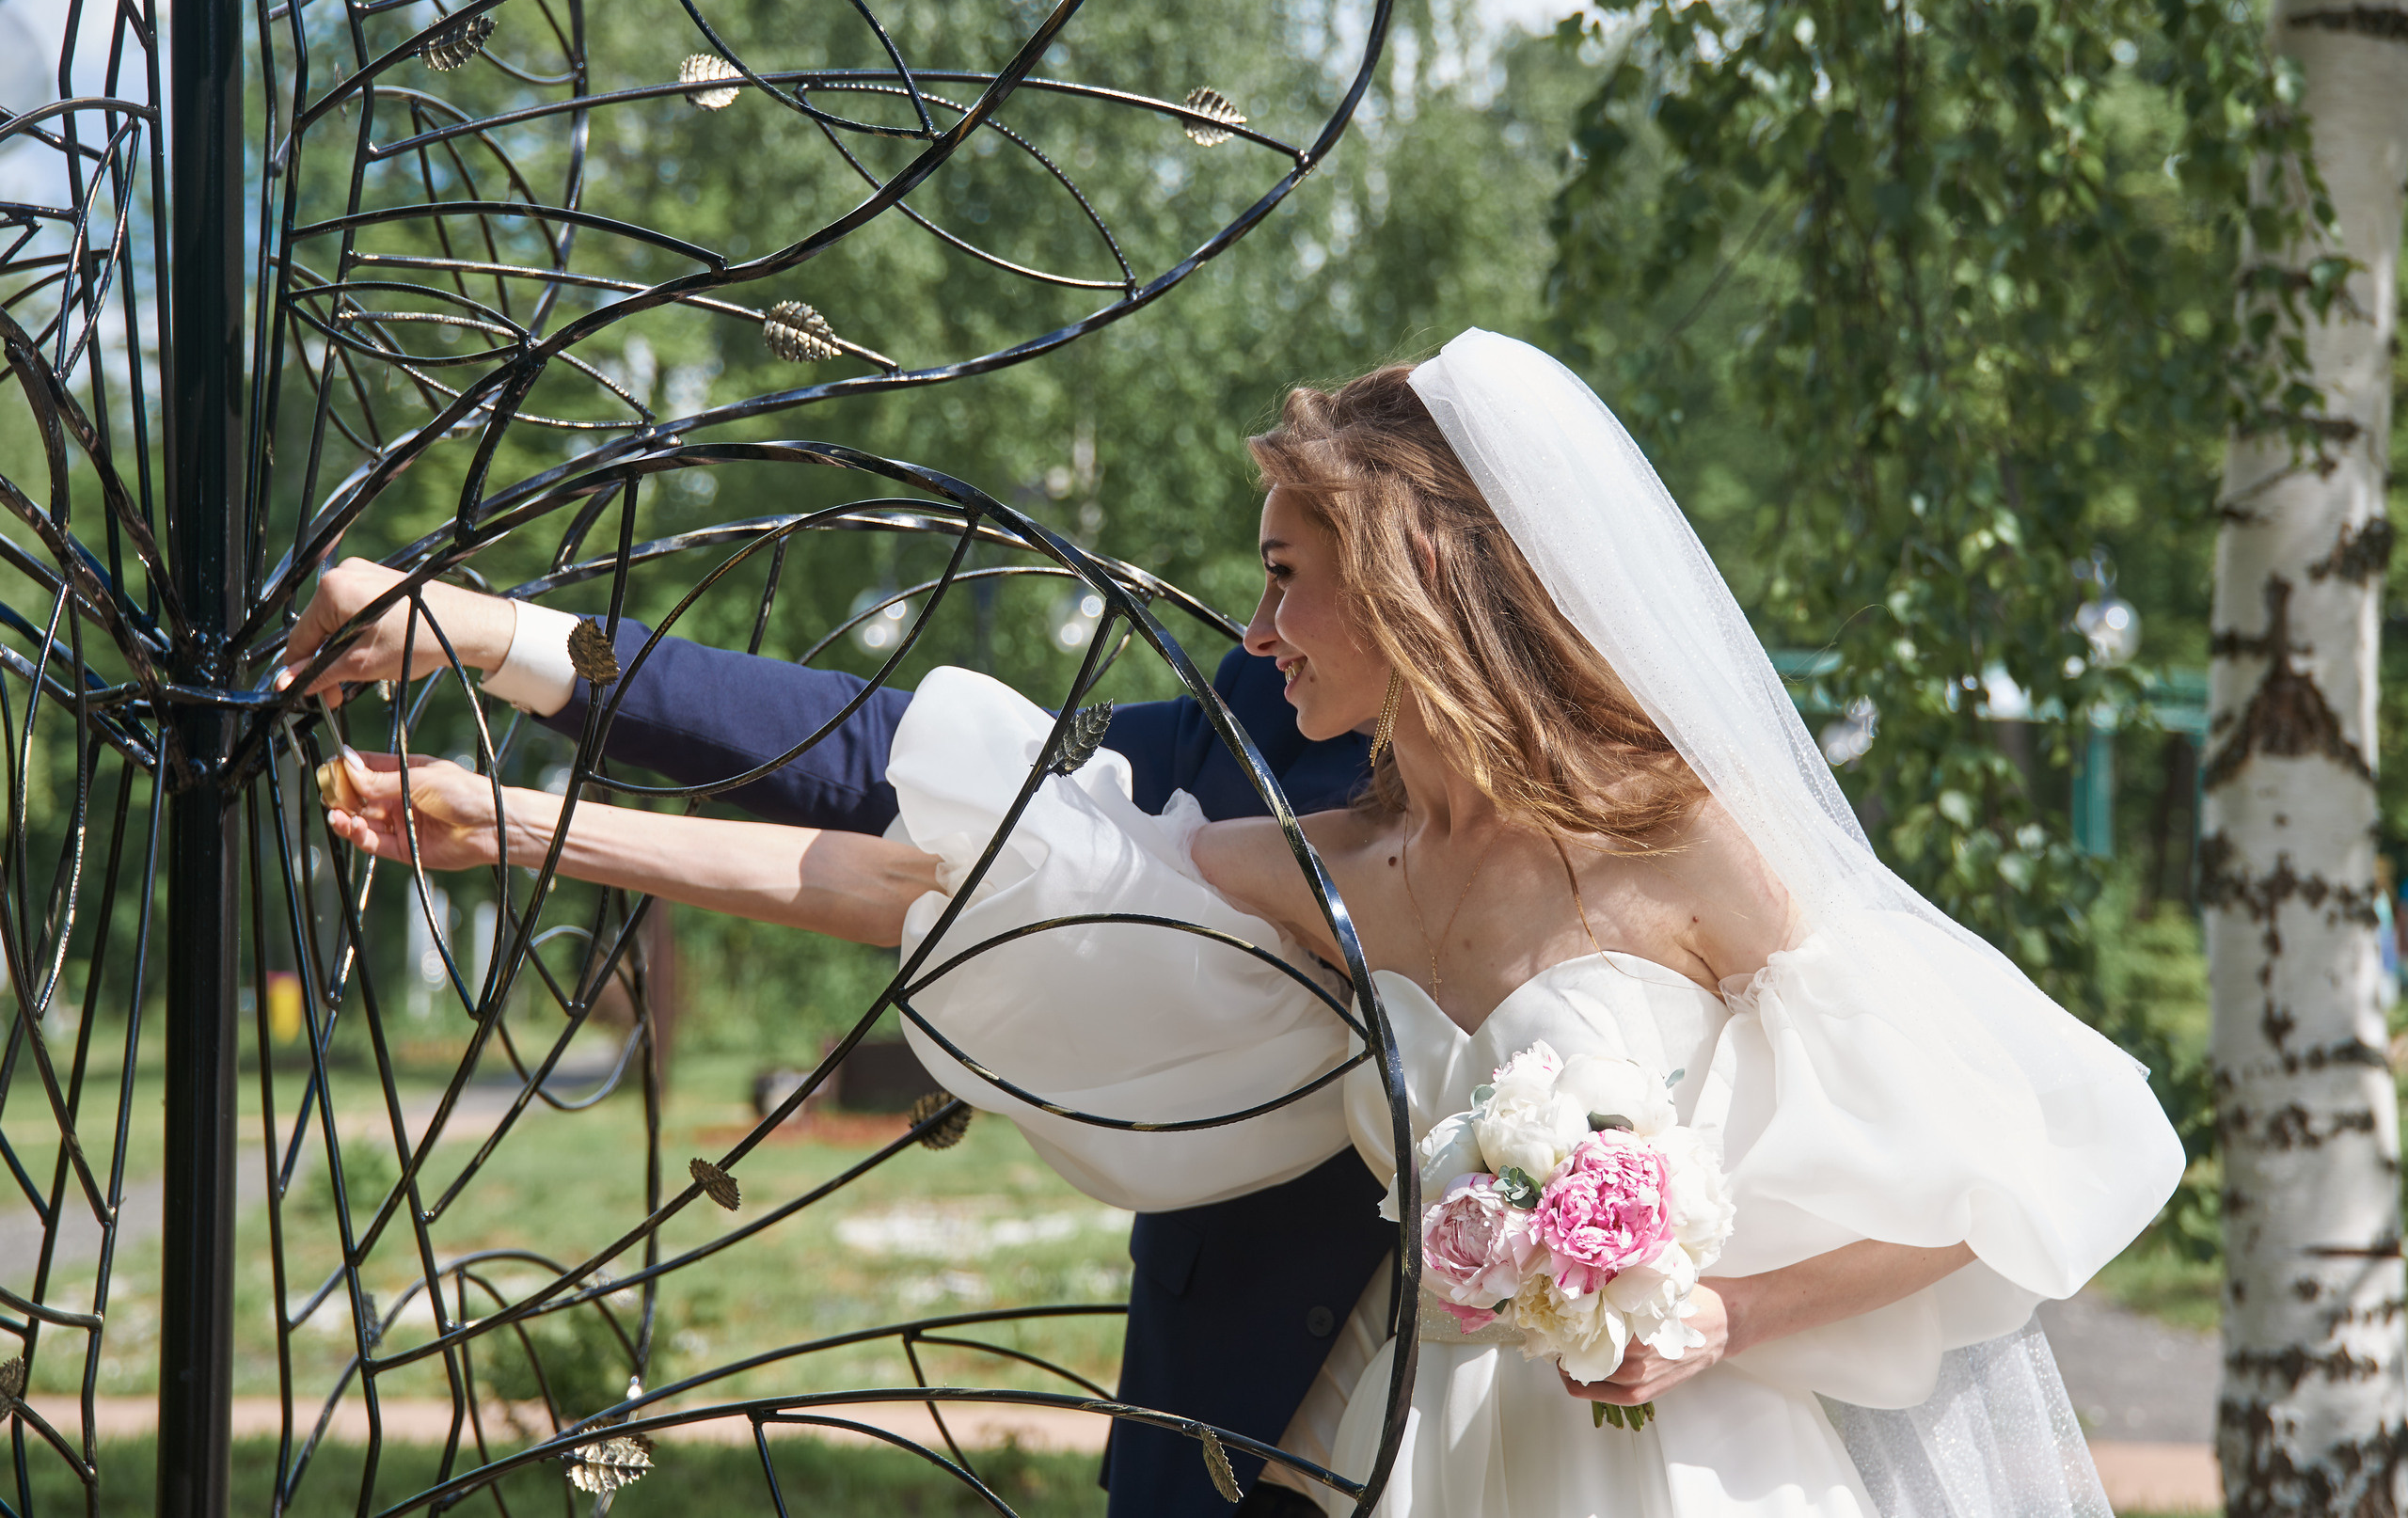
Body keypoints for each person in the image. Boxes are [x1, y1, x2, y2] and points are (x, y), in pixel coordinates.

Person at [318, 331, 2185, 1518]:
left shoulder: (1684, 835)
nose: (1256, 628)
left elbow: (1978, 1172)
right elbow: (918, 851)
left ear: (1412, 578)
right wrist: (532, 801)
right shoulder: (1315, 853)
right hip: (1386, 1455)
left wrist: (1709, 1313)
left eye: (1289, 579)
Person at [280, 561, 1387, 1518]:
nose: (1249, 627)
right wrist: (499, 644)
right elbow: (886, 783)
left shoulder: (1514, 842)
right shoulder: (1259, 712)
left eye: (1287, 572)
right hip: (1217, 1429)